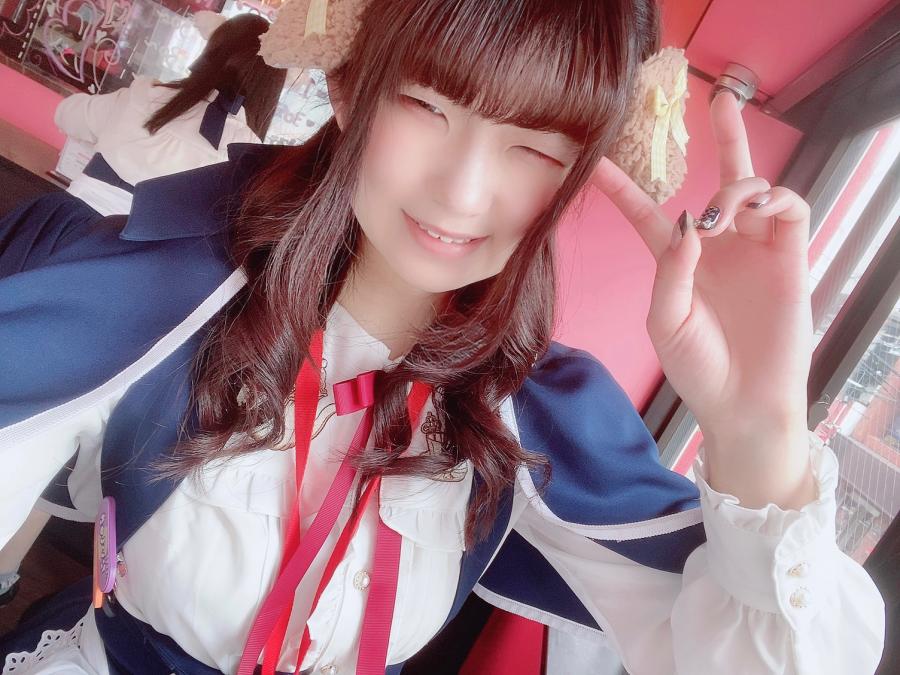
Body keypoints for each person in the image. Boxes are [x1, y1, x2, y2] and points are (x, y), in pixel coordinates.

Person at [0, 0, 886, 673]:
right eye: (427, 105)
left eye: (536, 147)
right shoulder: (161, 294)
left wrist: (759, 431)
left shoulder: (535, 415)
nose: (462, 194)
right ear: (349, 85)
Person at [0, 11, 287, 607]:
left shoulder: (146, 96)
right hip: (142, 306)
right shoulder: (250, 155)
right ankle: (6, 571)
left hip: (62, 248)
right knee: (69, 428)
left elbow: (67, 115)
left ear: (209, 54)